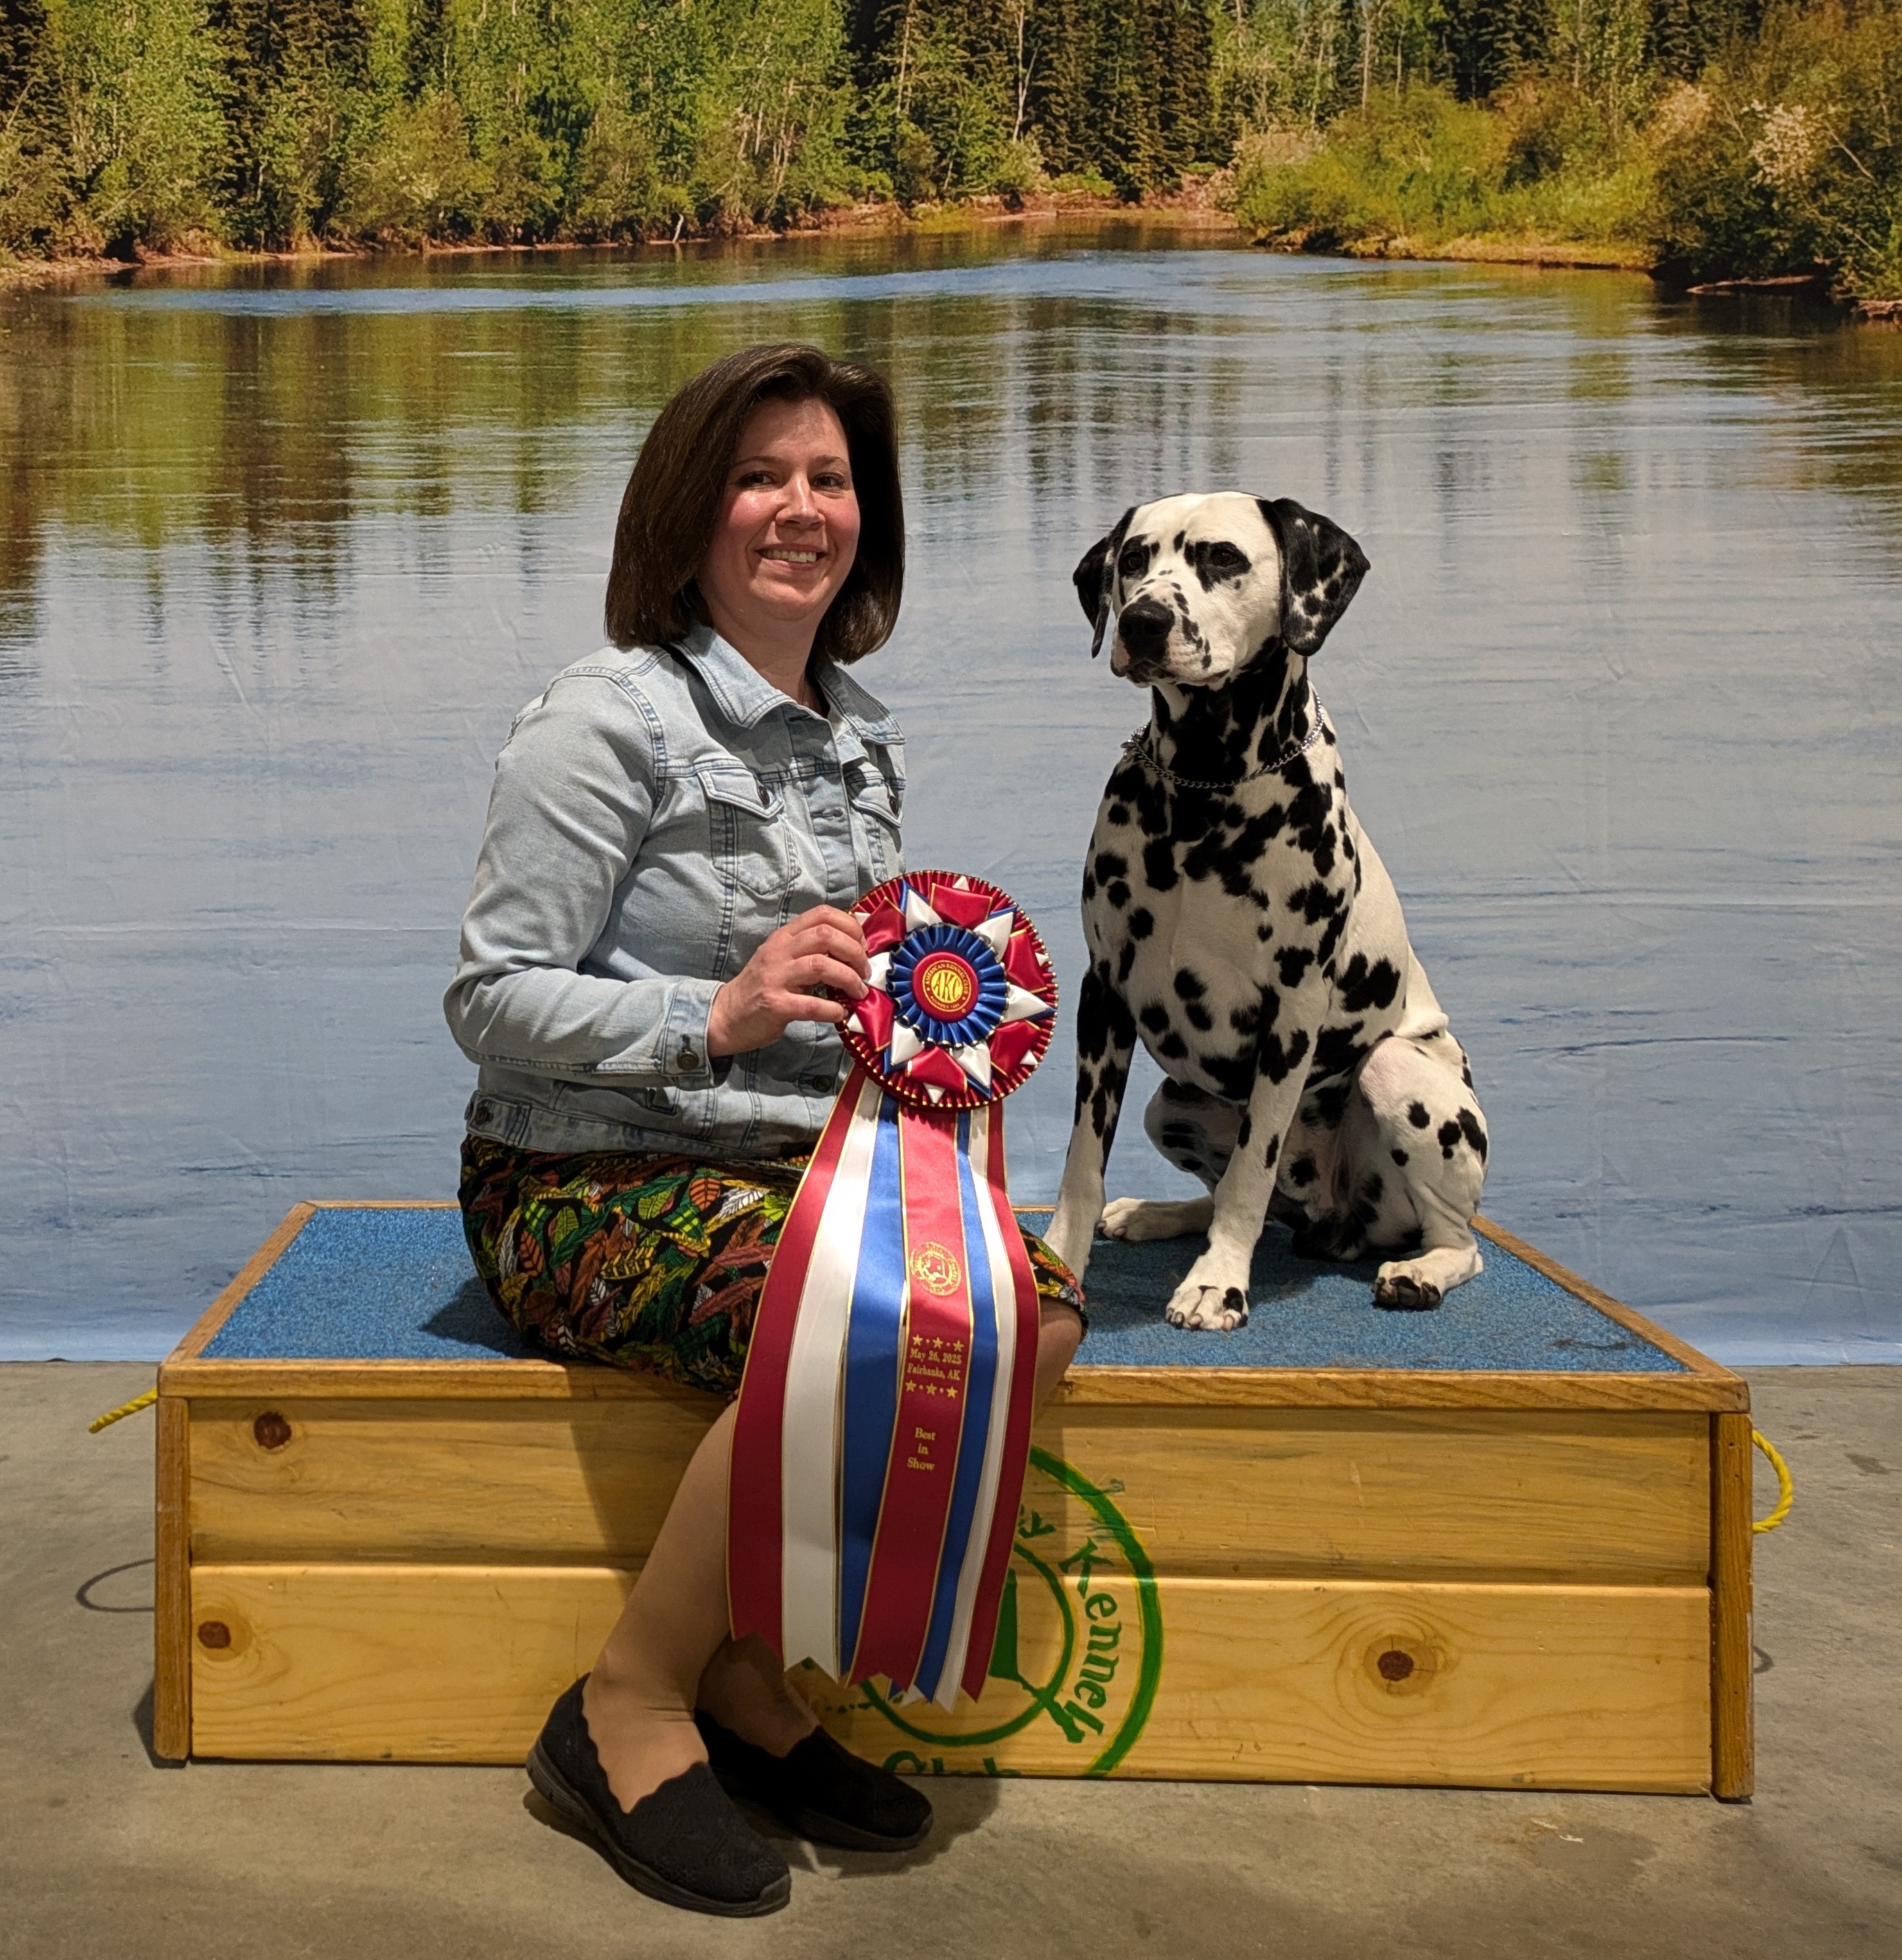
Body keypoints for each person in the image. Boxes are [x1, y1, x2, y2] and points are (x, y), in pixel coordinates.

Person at [444, 343, 1085, 1918]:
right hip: (580, 1174)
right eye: (759, 476)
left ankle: (743, 1672)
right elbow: (487, 995)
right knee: (837, 1322)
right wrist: (712, 1013)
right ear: (688, 509)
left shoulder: (855, 735)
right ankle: (625, 1700)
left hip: (784, 1165)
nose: (801, 508)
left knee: (1036, 1306)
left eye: (829, 478)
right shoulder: (603, 718)